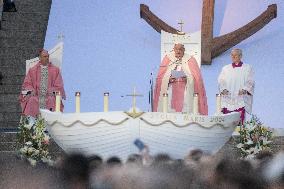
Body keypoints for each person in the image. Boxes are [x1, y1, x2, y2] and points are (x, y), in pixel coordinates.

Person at [153, 43, 208, 115]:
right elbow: (160, 77)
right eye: (176, 49)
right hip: (171, 88)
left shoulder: (191, 60)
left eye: (180, 49)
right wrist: (168, 79)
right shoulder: (167, 58)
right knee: (169, 107)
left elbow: (197, 78)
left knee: (185, 107)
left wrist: (188, 78)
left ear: (184, 50)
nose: (178, 51)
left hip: (185, 89)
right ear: (174, 49)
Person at [19, 49, 66, 117]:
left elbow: (59, 85)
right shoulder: (32, 70)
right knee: (32, 100)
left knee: (51, 100)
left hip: (50, 95)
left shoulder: (55, 70)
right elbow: (27, 83)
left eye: (47, 56)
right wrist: (32, 90)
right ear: (40, 58)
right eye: (44, 56)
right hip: (36, 95)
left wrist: (51, 90)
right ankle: (30, 123)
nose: (47, 58)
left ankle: (51, 123)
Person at [218, 48, 255, 124]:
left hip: (240, 98)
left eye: (235, 55)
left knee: (239, 122)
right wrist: (223, 89)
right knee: (227, 122)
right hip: (228, 98)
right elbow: (221, 81)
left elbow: (250, 81)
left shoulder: (247, 68)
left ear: (240, 56)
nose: (233, 57)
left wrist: (245, 89)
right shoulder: (225, 68)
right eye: (232, 55)